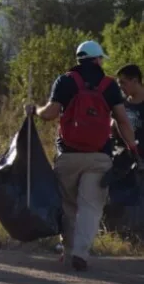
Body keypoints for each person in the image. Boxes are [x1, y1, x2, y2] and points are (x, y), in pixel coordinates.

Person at [25, 40, 136, 272]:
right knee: (91, 206)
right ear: (97, 60)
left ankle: (68, 250)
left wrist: (35, 110)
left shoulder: (66, 80)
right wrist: (133, 148)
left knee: (68, 206)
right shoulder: (109, 85)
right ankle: (81, 253)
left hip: (68, 155)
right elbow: (123, 121)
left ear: (79, 59)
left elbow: (51, 113)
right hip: (99, 157)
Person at [116, 64, 144, 158]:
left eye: (123, 82)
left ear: (135, 81)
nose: (120, 86)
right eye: (119, 83)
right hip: (128, 159)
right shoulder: (120, 105)